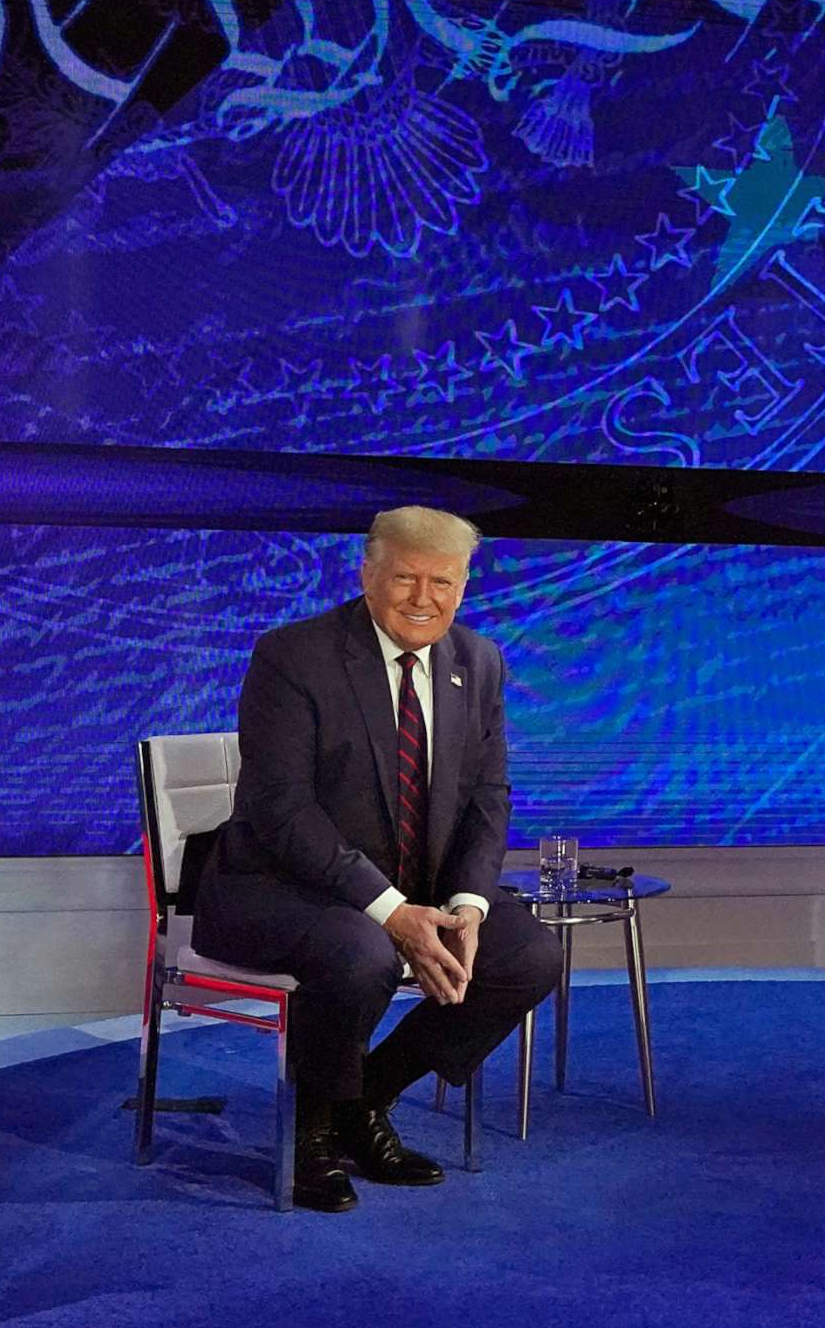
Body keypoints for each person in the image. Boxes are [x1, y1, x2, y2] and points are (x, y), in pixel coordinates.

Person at [193, 505, 560, 1211]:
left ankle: (365, 1099)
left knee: (527, 956)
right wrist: (392, 910)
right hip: (275, 884)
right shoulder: (293, 657)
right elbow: (281, 809)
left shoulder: (477, 662)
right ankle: (311, 1131)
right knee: (362, 951)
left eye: (443, 582)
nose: (424, 598)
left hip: (408, 886)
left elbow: (489, 797)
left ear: (465, 584)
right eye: (405, 578)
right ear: (367, 573)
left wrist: (467, 905)